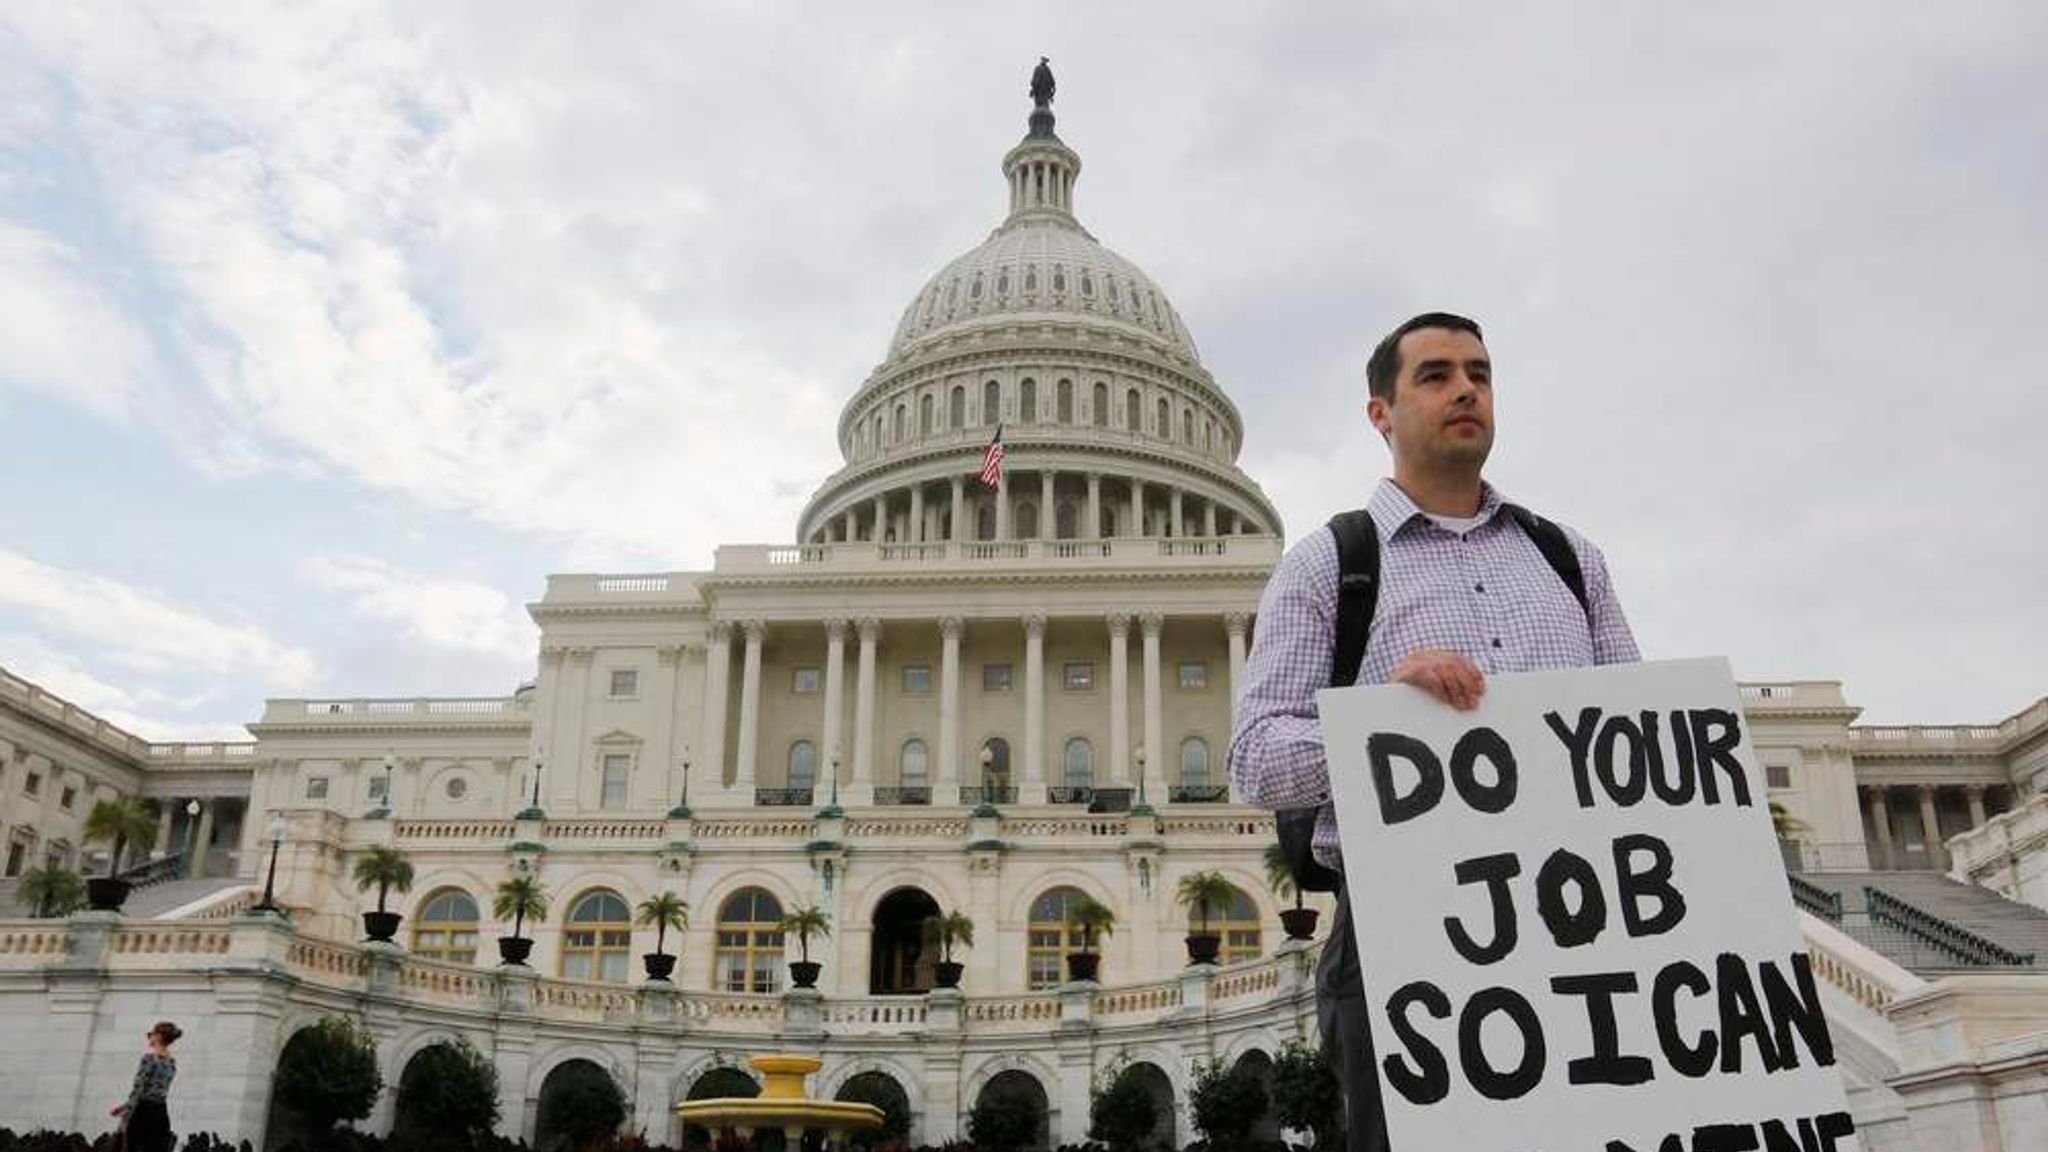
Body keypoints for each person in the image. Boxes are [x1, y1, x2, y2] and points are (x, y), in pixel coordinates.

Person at [1228, 312, 1639, 1151]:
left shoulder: (1571, 560)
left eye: (1480, 374)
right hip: (1399, 931)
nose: (1466, 390)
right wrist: (1385, 721)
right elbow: (1256, 760)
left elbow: (1632, 735)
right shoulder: (1326, 565)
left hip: (1580, 921)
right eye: (1437, 374)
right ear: (1380, 413)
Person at [112, 1020, 182, 1152]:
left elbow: (139, 1089)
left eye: (151, 1034)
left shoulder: (149, 1059)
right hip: (160, 1111)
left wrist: (126, 1116)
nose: (149, 1037)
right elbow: (157, 1089)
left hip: (142, 1110)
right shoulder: (171, 1062)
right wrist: (123, 1106)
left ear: (159, 1036)